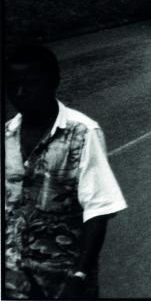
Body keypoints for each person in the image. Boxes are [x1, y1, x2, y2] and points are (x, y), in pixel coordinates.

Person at [4, 43, 127, 299]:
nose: (20, 93)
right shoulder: (7, 136)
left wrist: (79, 275)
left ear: (53, 82)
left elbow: (98, 210)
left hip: (64, 282)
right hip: (12, 280)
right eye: (12, 85)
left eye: (30, 84)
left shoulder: (82, 133)